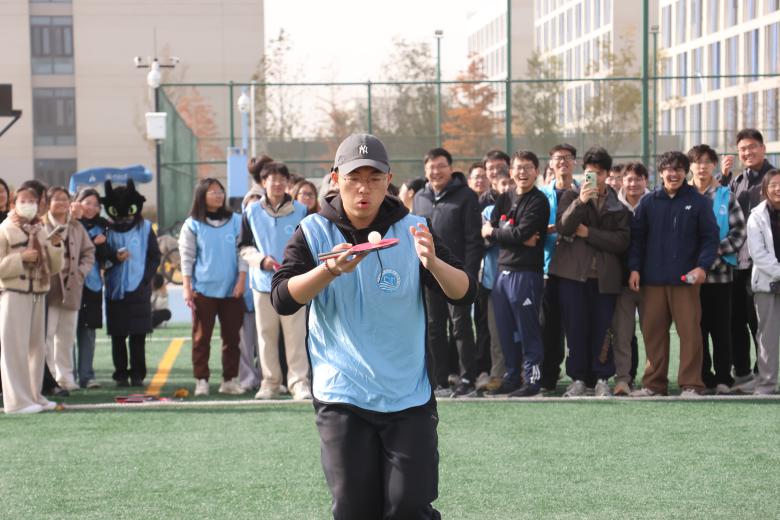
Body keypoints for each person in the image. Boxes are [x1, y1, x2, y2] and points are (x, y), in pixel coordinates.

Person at [271, 133, 475, 518]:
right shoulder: (313, 231)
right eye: (354, 178)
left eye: (374, 178)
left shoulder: (415, 228)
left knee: (408, 506)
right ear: (335, 179)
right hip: (342, 395)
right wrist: (329, 270)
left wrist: (433, 263)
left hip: (407, 396)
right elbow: (282, 298)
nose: (363, 188)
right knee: (354, 509)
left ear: (388, 181)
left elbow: (465, 293)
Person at [628, 151, 719, 397]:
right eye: (668, 169)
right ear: (660, 172)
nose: (673, 174)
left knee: (690, 334)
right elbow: (637, 240)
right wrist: (634, 268)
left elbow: (710, 238)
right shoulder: (648, 202)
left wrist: (702, 267)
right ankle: (653, 384)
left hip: (685, 282)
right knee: (653, 334)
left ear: (685, 172)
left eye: (678, 169)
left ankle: (691, 384)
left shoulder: (699, 202)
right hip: (652, 281)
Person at [549, 147, 631, 397]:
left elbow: (621, 241)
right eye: (589, 173)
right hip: (572, 276)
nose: (594, 178)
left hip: (605, 278)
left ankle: (601, 377)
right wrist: (581, 202)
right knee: (575, 329)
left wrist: (589, 233)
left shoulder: (619, 207)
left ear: (607, 174)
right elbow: (564, 227)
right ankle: (578, 378)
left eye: (599, 173)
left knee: (603, 329)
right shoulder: (570, 197)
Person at [239, 159, 311, 400]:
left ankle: (299, 383)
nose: (278, 183)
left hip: (294, 284)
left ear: (288, 183)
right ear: (263, 182)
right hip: (262, 284)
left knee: (296, 336)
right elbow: (243, 246)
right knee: (266, 335)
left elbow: (308, 245)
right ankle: (269, 383)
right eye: (273, 179)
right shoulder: (251, 212)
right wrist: (261, 260)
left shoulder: (301, 211)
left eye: (282, 179)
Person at [413, 147, 482, 396]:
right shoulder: (419, 197)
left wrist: (468, 274)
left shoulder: (466, 196)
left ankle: (467, 378)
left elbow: (474, 240)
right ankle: (439, 379)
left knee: (460, 326)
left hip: (457, 275)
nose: (436, 171)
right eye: (431, 167)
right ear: (425, 170)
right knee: (434, 327)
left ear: (451, 168)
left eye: (441, 166)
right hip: (429, 275)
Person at [481, 151, 550, 396]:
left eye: (528, 167)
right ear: (511, 172)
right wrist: (510, 234)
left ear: (537, 171)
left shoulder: (539, 201)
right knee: (505, 330)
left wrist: (499, 232)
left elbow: (517, 233)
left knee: (528, 329)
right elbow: (497, 232)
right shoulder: (505, 198)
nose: (523, 172)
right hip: (502, 273)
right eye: (518, 167)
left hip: (526, 274)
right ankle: (511, 377)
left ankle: (532, 380)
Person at [0, 181, 64, 413]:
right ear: (14, 203)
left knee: (37, 348)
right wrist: (21, 259)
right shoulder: (5, 228)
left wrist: (56, 246)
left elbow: (54, 267)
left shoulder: (41, 228)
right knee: (14, 349)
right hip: (14, 294)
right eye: (23, 201)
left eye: (32, 201)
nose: (28, 205)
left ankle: (34, 395)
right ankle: (17, 402)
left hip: (38, 293)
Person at [179, 178, 246, 396]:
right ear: (201, 196)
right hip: (203, 290)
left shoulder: (236, 220)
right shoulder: (192, 224)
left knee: (232, 338)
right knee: (201, 338)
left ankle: (229, 380)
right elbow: (186, 257)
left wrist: (241, 280)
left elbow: (243, 252)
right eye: (213, 192)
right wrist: (187, 287)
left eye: (220, 191)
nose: (218, 195)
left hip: (232, 290)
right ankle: (201, 380)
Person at [720, 129, 776, 392]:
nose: (748, 152)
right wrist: (724, 177)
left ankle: (763, 373)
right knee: (735, 319)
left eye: (753, 147)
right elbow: (721, 208)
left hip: (763, 264)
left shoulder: (774, 179)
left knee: (760, 323)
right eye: (743, 149)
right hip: (736, 262)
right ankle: (742, 373)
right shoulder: (737, 180)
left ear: (763, 148)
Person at [688, 144, 746, 394]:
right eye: (697, 162)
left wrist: (711, 252)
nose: (702, 167)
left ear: (714, 165)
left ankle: (723, 377)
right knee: (696, 331)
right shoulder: (683, 195)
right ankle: (703, 376)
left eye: (706, 162)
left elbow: (739, 232)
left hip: (720, 275)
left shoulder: (726, 195)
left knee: (722, 329)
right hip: (690, 278)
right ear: (690, 166)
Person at [102, 180, 161, 388]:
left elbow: (154, 256)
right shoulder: (105, 229)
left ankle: (137, 374)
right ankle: (120, 374)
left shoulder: (145, 228)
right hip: (114, 289)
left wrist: (145, 278)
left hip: (139, 289)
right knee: (118, 335)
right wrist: (113, 259)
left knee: (138, 335)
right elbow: (100, 256)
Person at [43, 186, 95, 392]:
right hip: (49, 288)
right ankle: (48, 378)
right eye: (57, 199)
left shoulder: (76, 226)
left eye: (65, 199)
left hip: (72, 287)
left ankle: (65, 377)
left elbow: (89, 252)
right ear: (48, 203)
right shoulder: (41, 225)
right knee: (47, 335)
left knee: (66, 336)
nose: (62, 203)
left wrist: (80, 272)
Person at [539, 143, 578, 391]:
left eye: (567, 158)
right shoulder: (541, 194)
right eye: (557, 158)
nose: (562, 162)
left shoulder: (583, 191)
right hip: (547, 268)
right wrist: (556, 229)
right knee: (548, 326)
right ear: (551, 163)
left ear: (575, 162)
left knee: (576, 325)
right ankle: (548, 376)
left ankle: (578, 376)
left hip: (576, 270)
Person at [610, 163, 650, 395]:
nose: (633, 184)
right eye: (629, 179)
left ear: (646, 181)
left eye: (638, 179)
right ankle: (623, 379)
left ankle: (652, 379)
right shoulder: (613, 206)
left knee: (652, 334)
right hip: (621, 282)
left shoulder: (655, 203)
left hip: (651, 282)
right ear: (621, 181)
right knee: (622, 334)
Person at [746, 169, 780, 395]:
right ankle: (767, 384)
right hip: (767, 284)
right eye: (773, 185)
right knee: (767, 337)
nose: (778, 189)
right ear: (765, 189)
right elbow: (758, 254)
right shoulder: (756, 216)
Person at [74, 188, 109, 389]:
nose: (92, 208)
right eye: (87, 202)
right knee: (67, 332)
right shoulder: (70, 224)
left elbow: (105, 257)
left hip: (93, 285)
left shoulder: (102, 226)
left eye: (96, 205)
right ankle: (67, 376)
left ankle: (87, 375)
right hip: (71, 284)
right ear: (78, 202)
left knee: (88, 331)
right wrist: (93, 243)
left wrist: (105, 248)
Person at [237, 191, 262, 391]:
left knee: (265, 342)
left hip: (265, 294)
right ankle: (247, 379)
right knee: (244, 342)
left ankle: (266, 378)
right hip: (243, 295)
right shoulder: (239, 231)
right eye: (249, 206)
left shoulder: (269, 232)